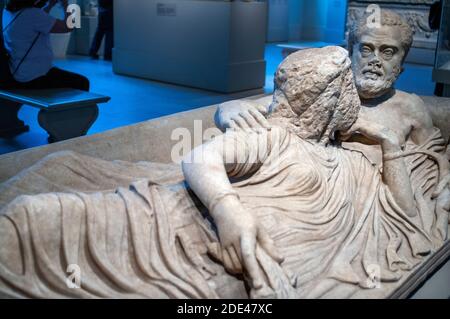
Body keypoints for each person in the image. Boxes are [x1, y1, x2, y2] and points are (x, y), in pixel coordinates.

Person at [0, 46, 448, 299]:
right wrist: (229, 210)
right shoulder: (278, 134)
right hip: (184, 223)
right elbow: (204, 154)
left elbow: (406, 215)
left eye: (386, 52)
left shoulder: (377, 139)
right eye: (366, 49)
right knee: (35, 217)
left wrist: (388, 146)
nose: (374, 61)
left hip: (227, 252)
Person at [2, 0, 89, 90]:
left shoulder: (7, 12)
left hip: (17, 71)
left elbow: (38, 20)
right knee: (82, 82)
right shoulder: (32, 14)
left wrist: (50, 5)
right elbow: (68, 27)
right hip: (34, 76)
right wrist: (65, 4)